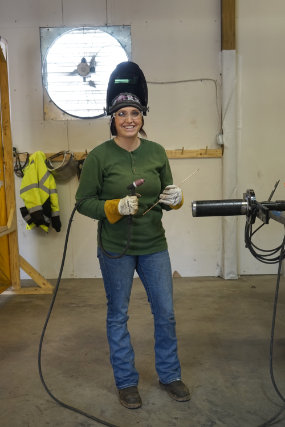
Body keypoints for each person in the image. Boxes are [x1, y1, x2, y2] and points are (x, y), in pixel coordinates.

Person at [75, 92, 190, 409]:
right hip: (115, 248)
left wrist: (176, 198)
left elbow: (168, 195)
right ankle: (126, 382)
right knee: (118, 315)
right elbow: (83, 203)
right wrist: (114, 206)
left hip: (154, 245)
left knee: (165, 313)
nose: (129, 119)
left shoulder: (156, 152)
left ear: (143, 117)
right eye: (122, 113)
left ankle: (170, 375)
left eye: (135, 113)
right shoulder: (99, 156)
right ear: (112, 118)